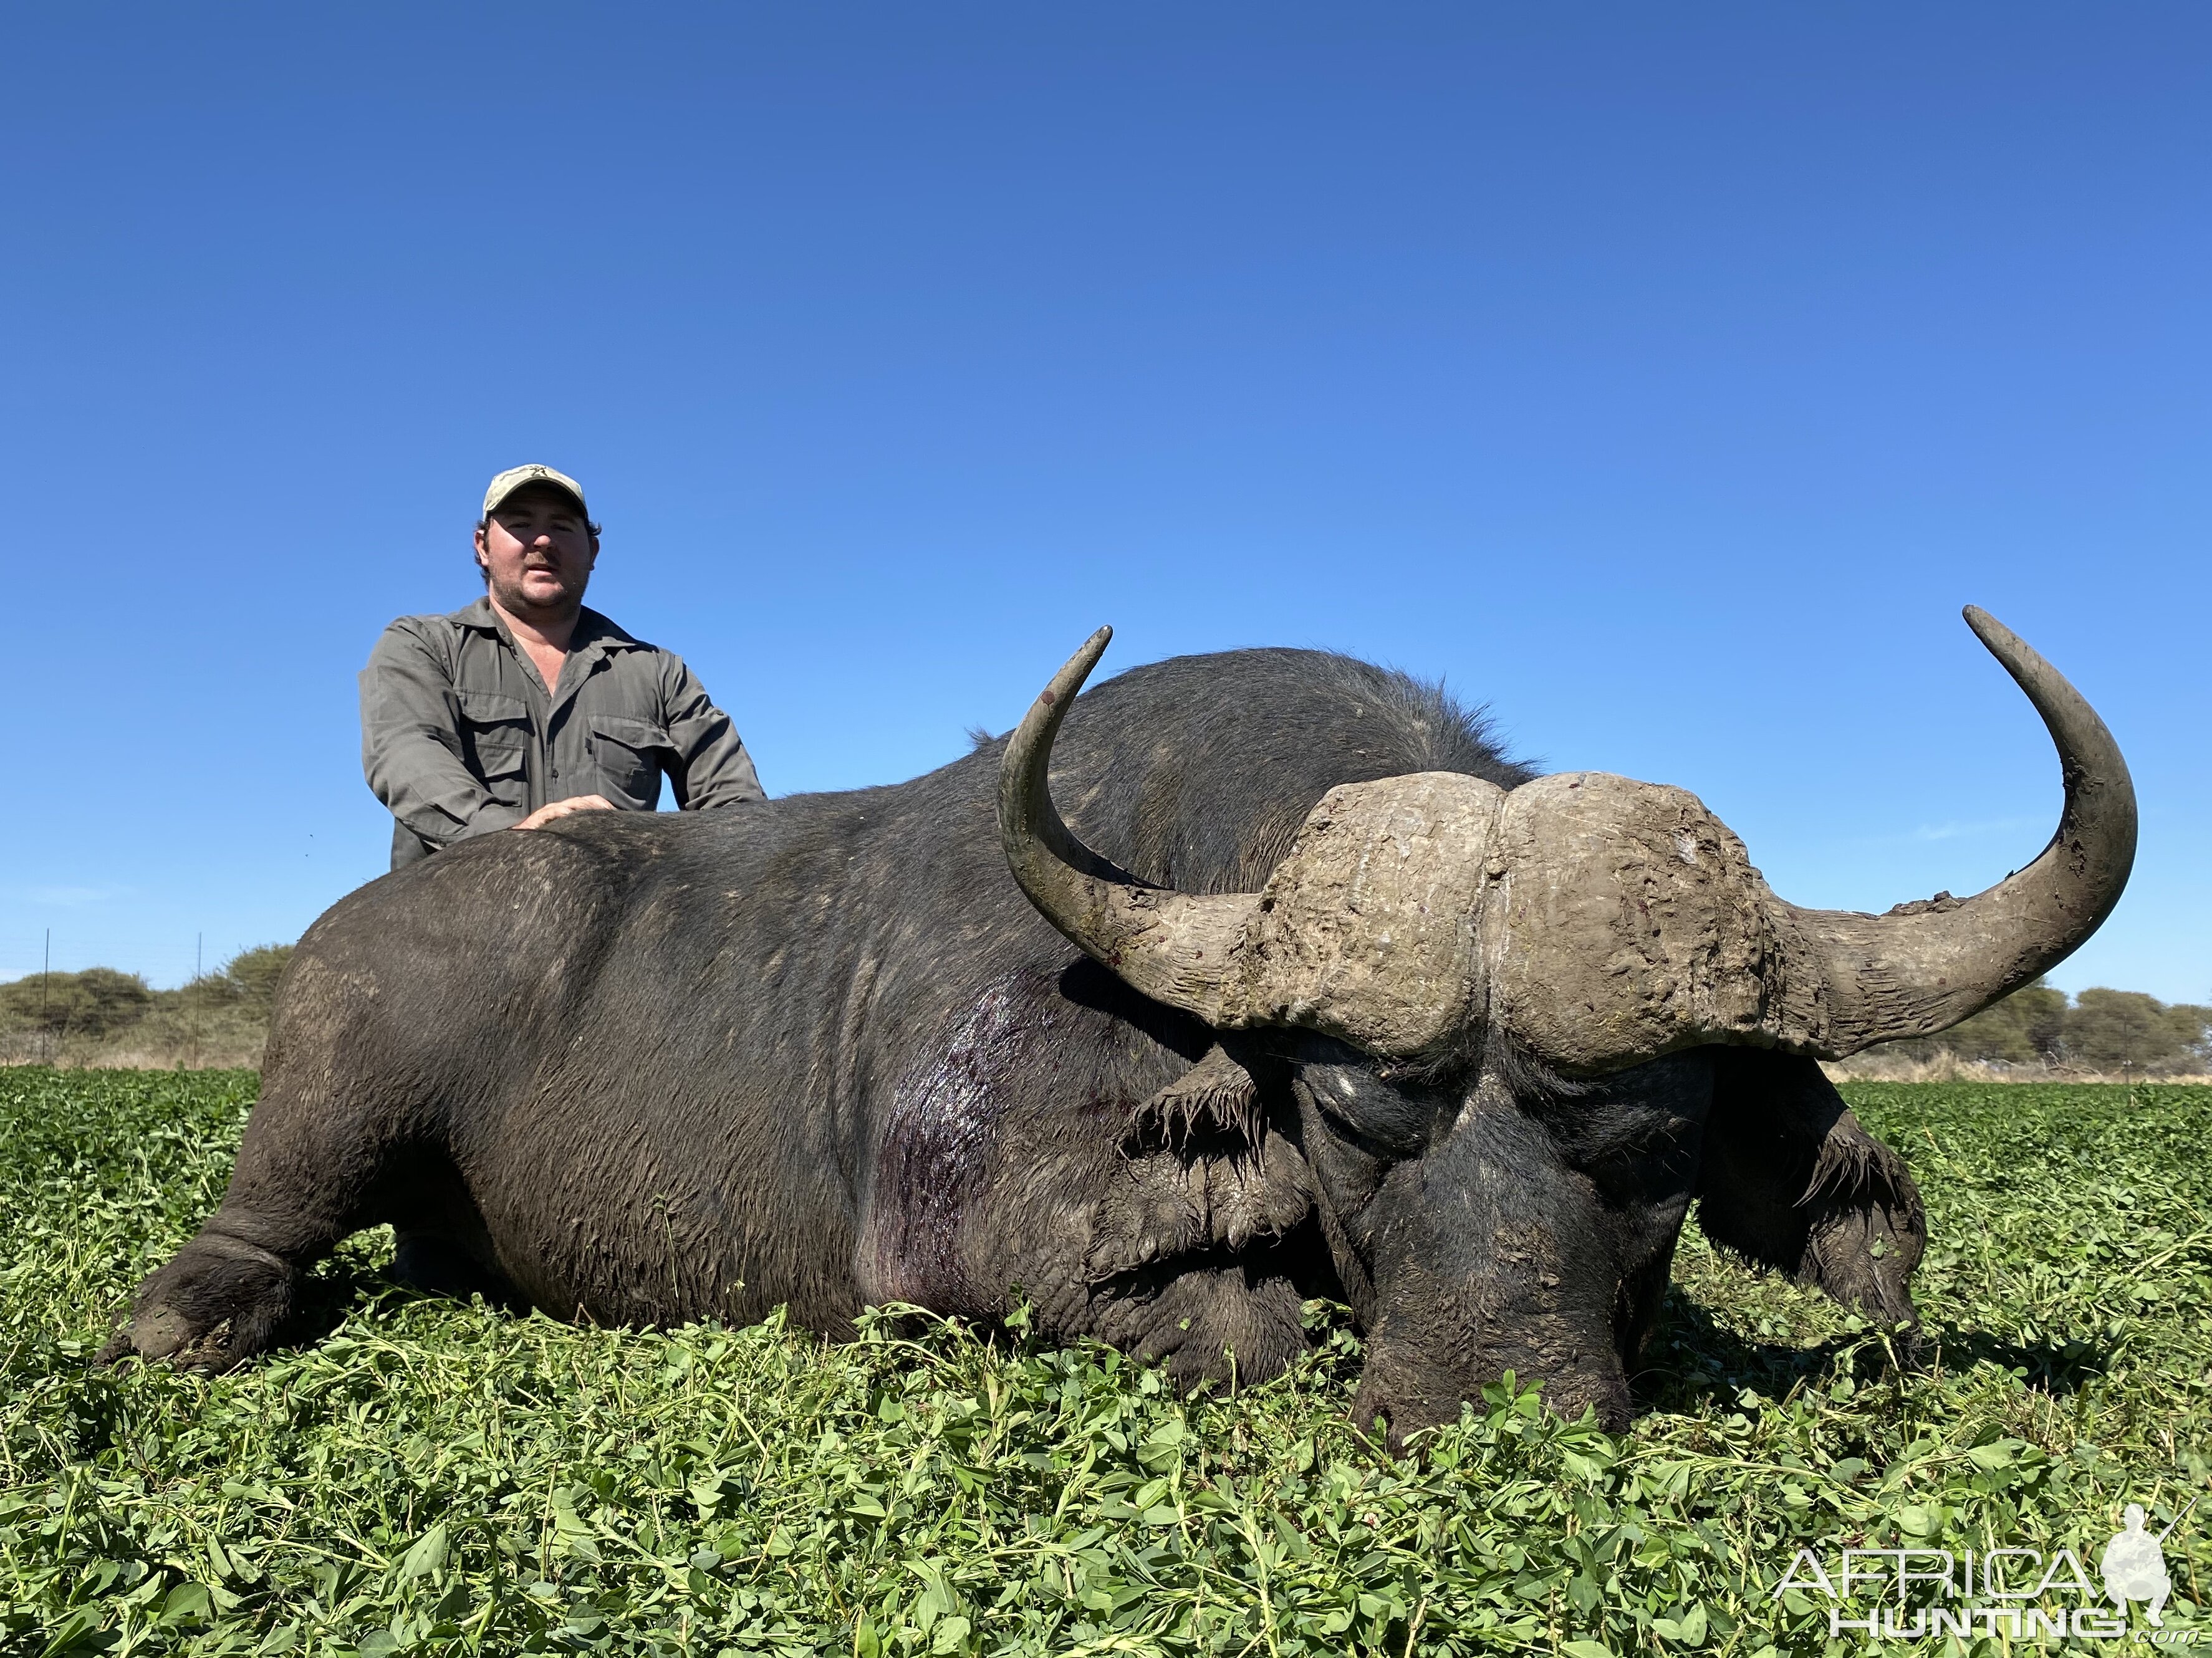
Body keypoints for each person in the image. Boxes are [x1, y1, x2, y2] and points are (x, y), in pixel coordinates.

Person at [360, 463, 764, 870]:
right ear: (482, 545)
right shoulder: (422, 645)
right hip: (452, 918)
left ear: (593, 551)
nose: (542, 540)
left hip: (615, 923)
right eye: (520, 524)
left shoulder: (660, 673)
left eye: (562, 526)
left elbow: (737, 807)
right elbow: (404, 753)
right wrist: (509, 838)